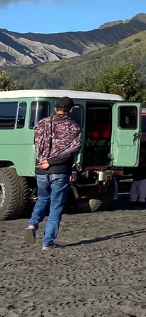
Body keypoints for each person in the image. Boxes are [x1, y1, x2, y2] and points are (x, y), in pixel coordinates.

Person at [27, 96, 82, 250]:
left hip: (41, 169)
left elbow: (36, 144)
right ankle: (47, 242)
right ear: (70, 110)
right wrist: (52, 162)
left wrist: (44, 161)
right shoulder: (74, 127)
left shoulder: (41, 124)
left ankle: (32, 224)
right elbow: (74, 149)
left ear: (55, 108)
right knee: (56, 206)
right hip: (60, 170)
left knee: (43, 199)